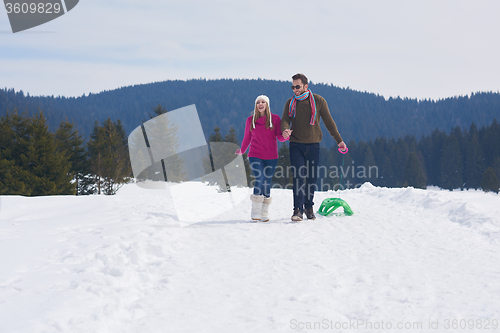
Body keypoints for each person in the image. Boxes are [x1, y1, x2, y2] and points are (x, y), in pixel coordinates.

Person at [281, 73, 347, 222]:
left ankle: (309, 207)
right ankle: (297, 210)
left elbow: (329, 122)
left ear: (306, 86)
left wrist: (339, 141)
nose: (295, 89)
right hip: (296, 144)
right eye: (293, 87)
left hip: (313, 145)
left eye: (297, 86)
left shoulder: (318, 101)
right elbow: (285, 119)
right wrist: (285, 129)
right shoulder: (290, 103)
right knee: (299, 177)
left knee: (311, 178)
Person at [236, 95, 289, 222]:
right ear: (256, 105)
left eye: (263, 102)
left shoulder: (275, 119)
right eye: (258, 102)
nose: (260, 104)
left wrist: (285, 136)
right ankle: (255, 210)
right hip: (255, 155)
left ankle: (264, 211)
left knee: (267, 181)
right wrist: (242, 150)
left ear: (267, 105)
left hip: (271, 156)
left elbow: (279, 137)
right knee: (260, 177)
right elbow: (247, 137)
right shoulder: (250, 120)